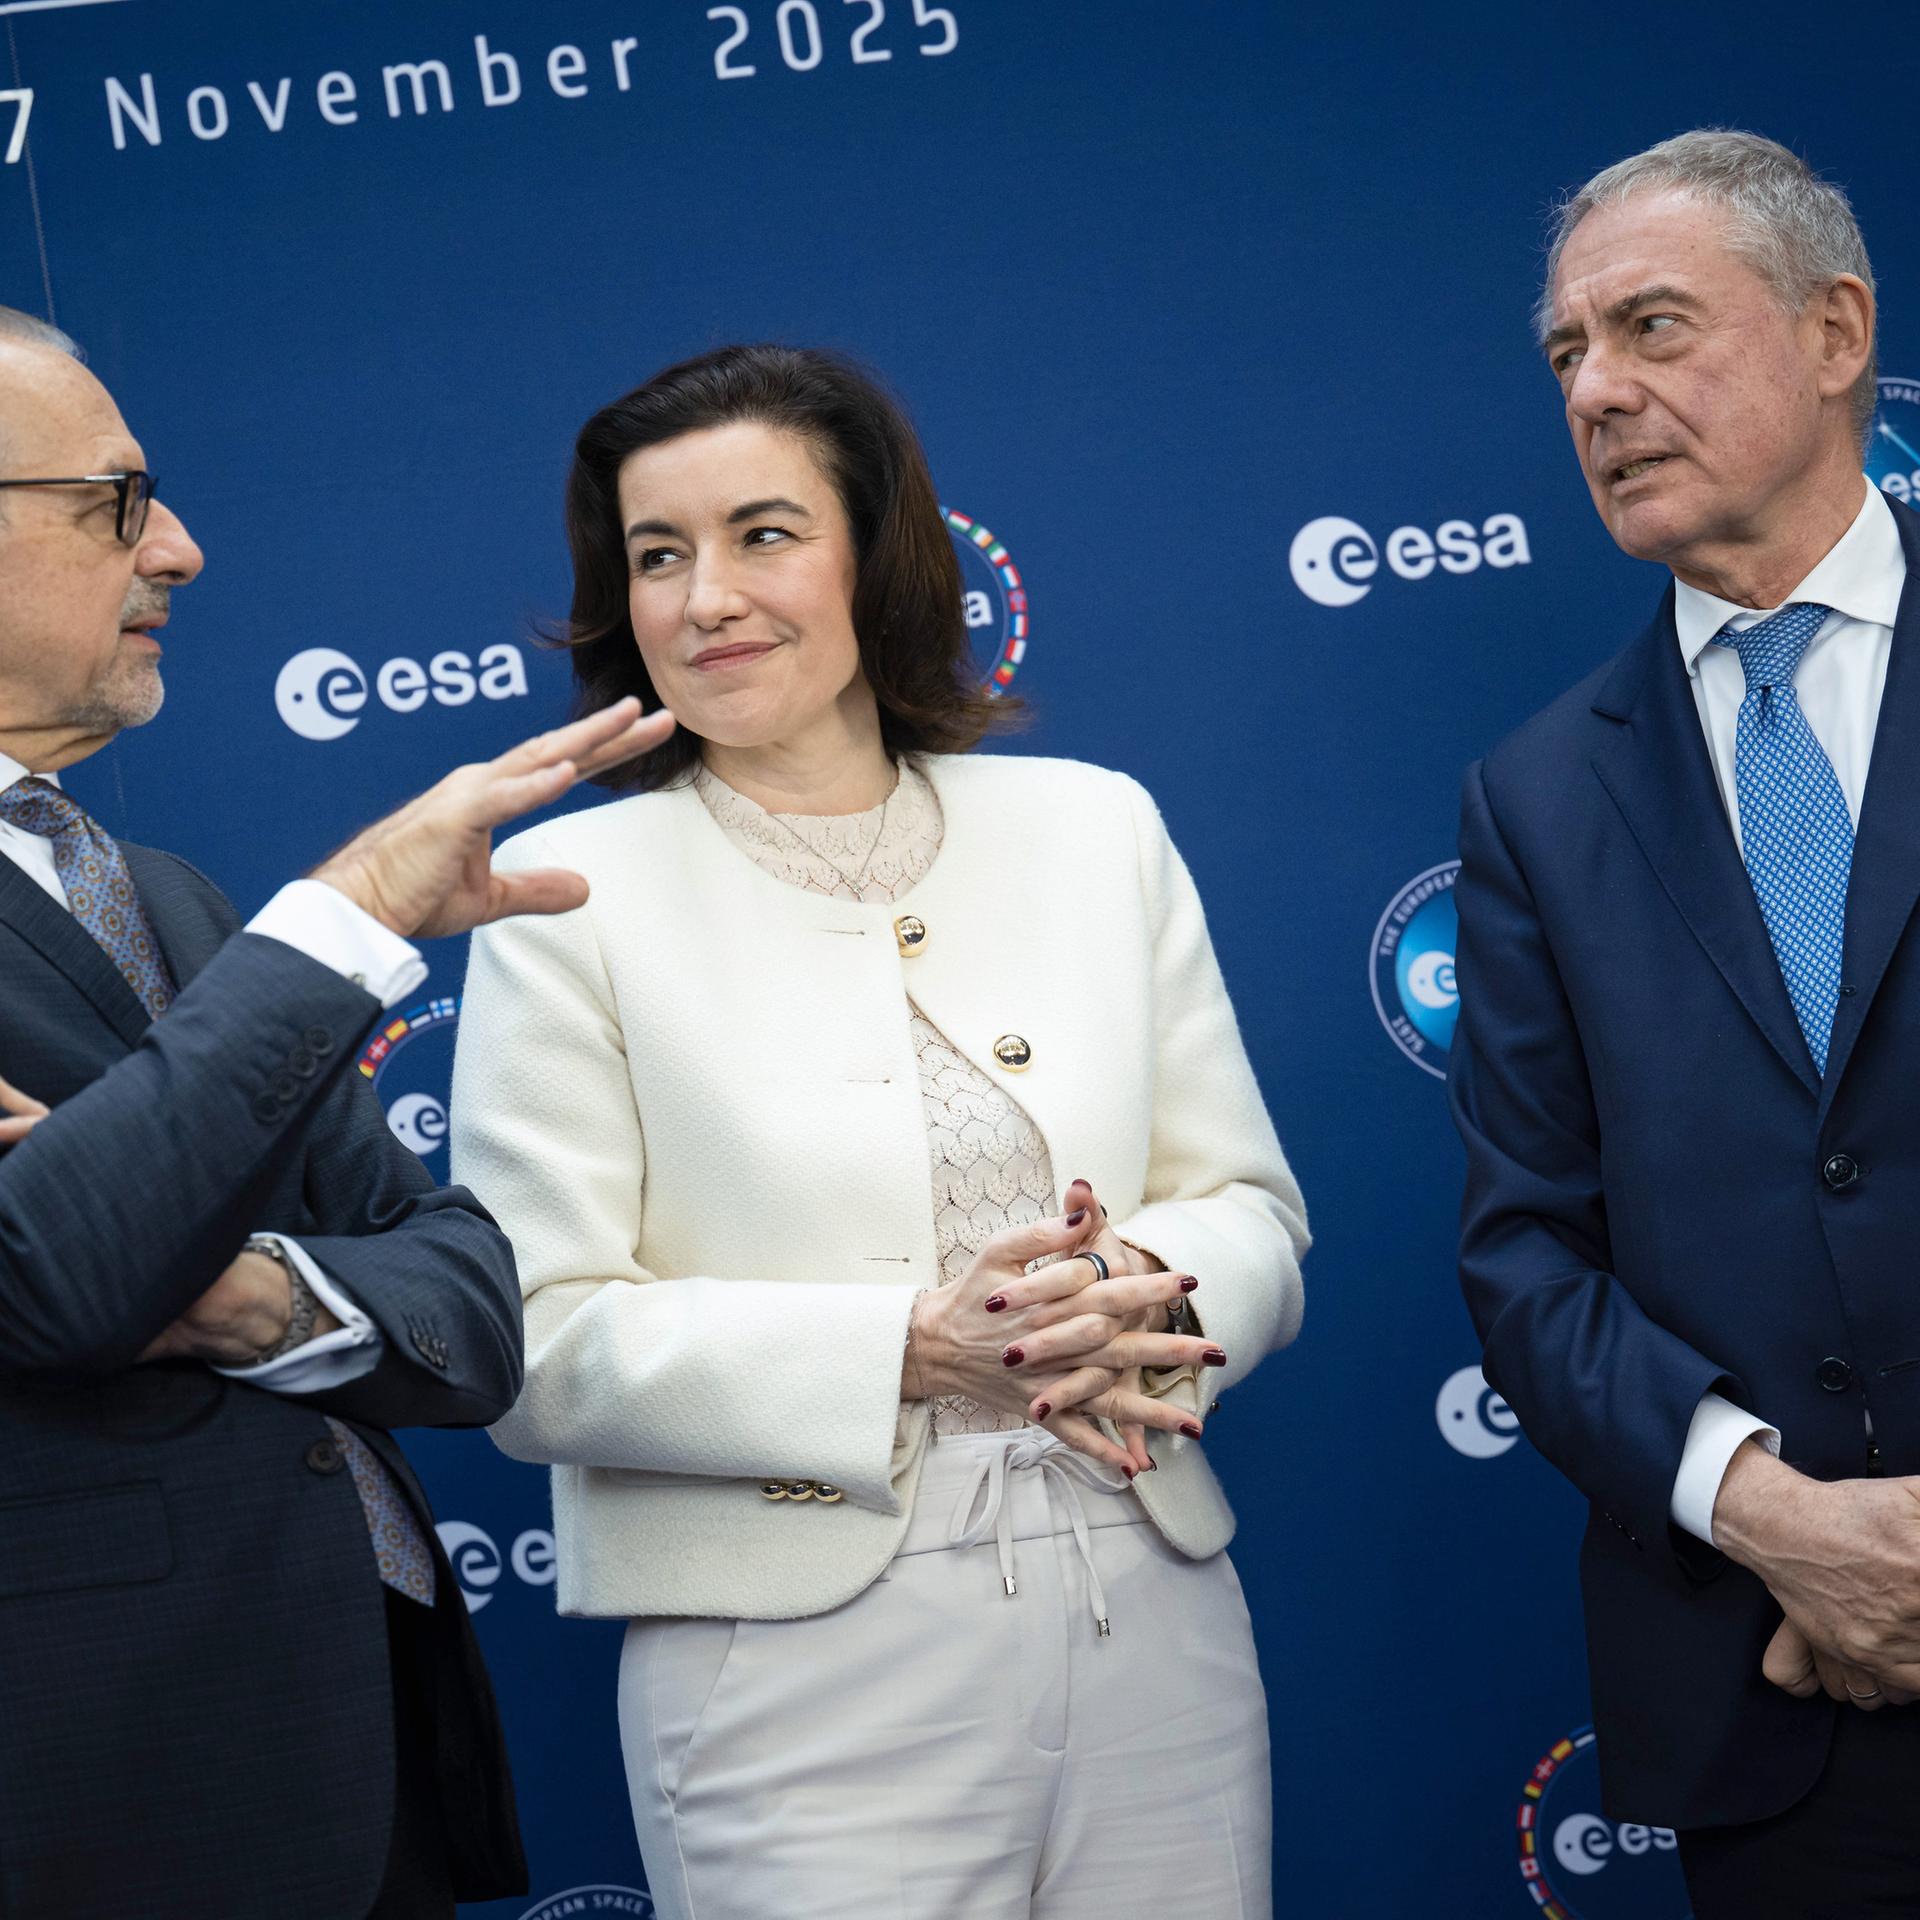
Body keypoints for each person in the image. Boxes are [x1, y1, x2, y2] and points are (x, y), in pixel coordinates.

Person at [449, 342, 1307, 1918]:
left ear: (877, 556)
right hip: (795, 1674)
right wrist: (909, 1348)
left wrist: (1134, 1285)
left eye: (763, 534)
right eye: (657, 555)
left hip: (1152, 1610)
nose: (708, 596)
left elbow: (1252, 1207)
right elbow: (535, 1340)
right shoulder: (565, 903)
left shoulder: (1094, 827)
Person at [0, 305, 670, 1920]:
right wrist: (360, 898)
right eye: (116, 501)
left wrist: (247, 1294)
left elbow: (468, 1297)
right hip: (103, 1812)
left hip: (358, 1752)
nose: (183, 550)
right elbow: (57, 1274)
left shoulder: (169, 903)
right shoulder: (289, 937)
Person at [1450, 130, 1920, 1914]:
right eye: (1568, 355)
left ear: (1834, 330)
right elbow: (1527, 1258)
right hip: (1776, 1700)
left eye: (1652, 327)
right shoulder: (1535, 800)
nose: (1600, 391)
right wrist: (1787, 1523)